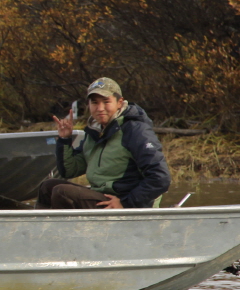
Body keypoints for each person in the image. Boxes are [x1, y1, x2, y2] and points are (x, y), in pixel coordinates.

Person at [37, 76, 171, 209]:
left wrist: (125, 203)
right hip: (101, 197)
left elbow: (160, 178)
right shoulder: (94, 132)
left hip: (126, 204)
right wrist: (65, 140)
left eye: (106, 102)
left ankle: (64, 230)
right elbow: (69, 171)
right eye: (94, 103)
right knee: (48, 187)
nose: (100, 108)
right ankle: (37, 228)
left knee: (62, 192)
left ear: (119, 102)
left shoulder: (135, 131)